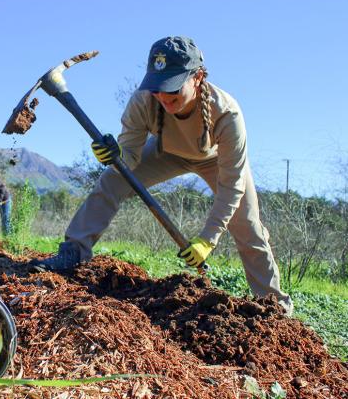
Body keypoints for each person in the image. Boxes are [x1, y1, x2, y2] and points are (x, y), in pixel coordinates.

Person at [33, 36, 293, 315]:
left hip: (216, 160)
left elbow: (232, 185)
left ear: (198, 78)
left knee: (248, 226)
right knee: (113, 178)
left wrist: (207, 239)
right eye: (158, 89)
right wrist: (114, 154)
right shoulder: (143, 100)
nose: (164, 98)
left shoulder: (227, 114)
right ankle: (74, 250)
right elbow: (129, 157)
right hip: (165, 151)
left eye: (173, 90)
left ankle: (274, 305)